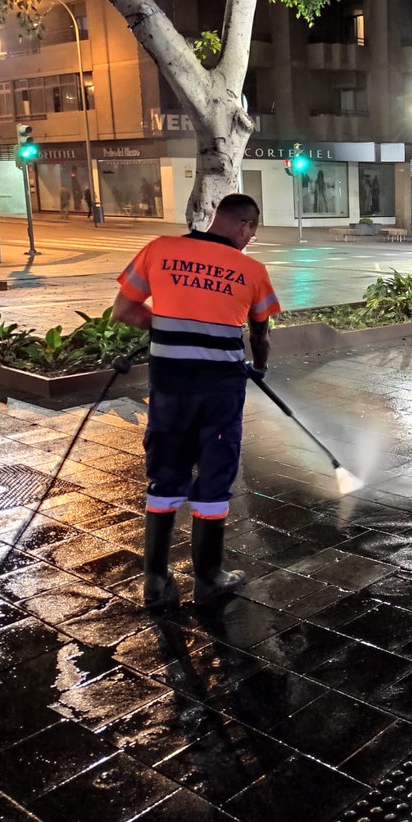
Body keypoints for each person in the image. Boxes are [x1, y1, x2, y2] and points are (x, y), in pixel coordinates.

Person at [113, 194, 281, 610]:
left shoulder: (160, 250)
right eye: (252, 232)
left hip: (169, 387)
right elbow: (260, 334)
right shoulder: (252, 270)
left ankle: (154, 579)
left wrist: (172, 329)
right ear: (245, 226)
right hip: (219, 392)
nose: (250, 239)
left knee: (165, 474)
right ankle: (209, 578)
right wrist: (259, 367)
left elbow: (124, 310)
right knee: (213, 476)